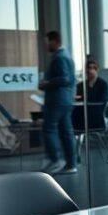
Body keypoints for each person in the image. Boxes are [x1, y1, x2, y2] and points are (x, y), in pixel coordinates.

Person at [38, 30, 77, 174]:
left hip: (57, 100)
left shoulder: (60, 57)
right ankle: (71, 164)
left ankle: (55, 159)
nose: (45, 45)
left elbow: (65, 78)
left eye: (47, 42)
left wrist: (46, 83)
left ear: (55, 41)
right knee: (66, 132)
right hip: (65, 100)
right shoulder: (65, 56)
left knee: (48, 129)